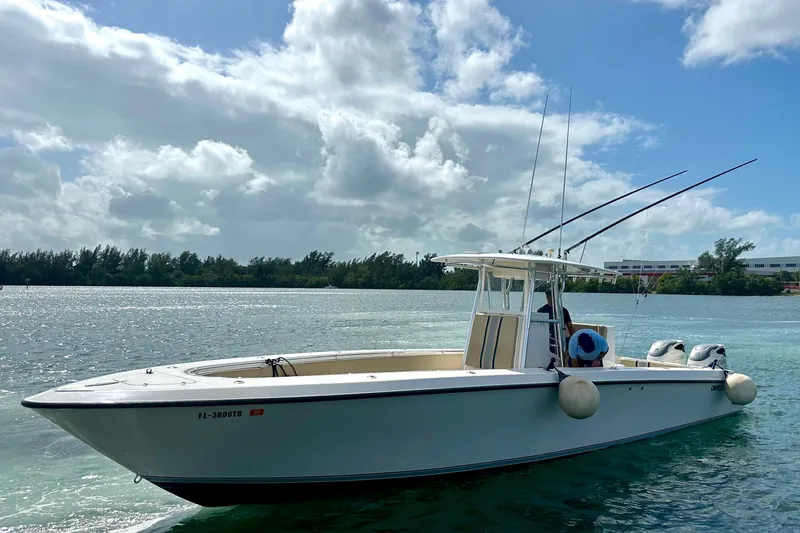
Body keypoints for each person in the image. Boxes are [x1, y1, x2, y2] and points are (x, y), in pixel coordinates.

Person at [537, 287, 576, 356]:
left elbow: (570, 328)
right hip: (547, 339)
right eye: (548, 295)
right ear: (546, 296)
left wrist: (574, 341)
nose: (550, 297)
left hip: (560, 338)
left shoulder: (563, 310)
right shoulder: (541, 311)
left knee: (574, 342)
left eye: (552, 295)